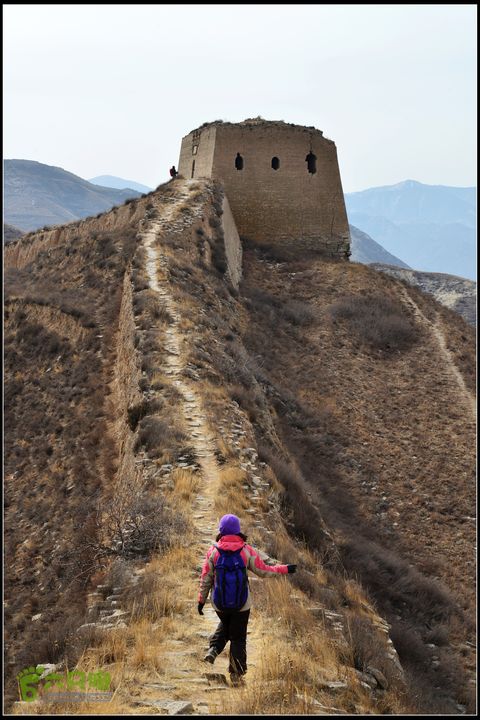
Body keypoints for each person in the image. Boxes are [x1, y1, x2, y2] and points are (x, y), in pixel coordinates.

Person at [197, 513, 297, 686]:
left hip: (219, 603)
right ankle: (236, 676)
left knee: (227, 624)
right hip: (242, 604)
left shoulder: (213, 551)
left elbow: (206, 577)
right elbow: (264, 570)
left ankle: (214, 649)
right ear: (238, 530)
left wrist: (201, 600)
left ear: (221, 530)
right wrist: (285, 569)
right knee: (238, 637)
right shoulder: (245, 550)